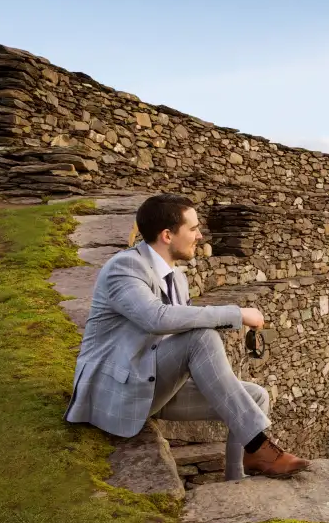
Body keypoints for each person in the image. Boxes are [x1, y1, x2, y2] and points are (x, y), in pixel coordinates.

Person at [64, 193, 310, 480]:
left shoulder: (177, 278)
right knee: (200, 337)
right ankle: (259, 447)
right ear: (167, 235)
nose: (200, 236)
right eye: (193, 229)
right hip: (120, 389)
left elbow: (176, 335)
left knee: (255, 396)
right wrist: (236, 313)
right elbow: (155, 318)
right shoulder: (125, 268)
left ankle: (236, 478)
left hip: (156, 382)